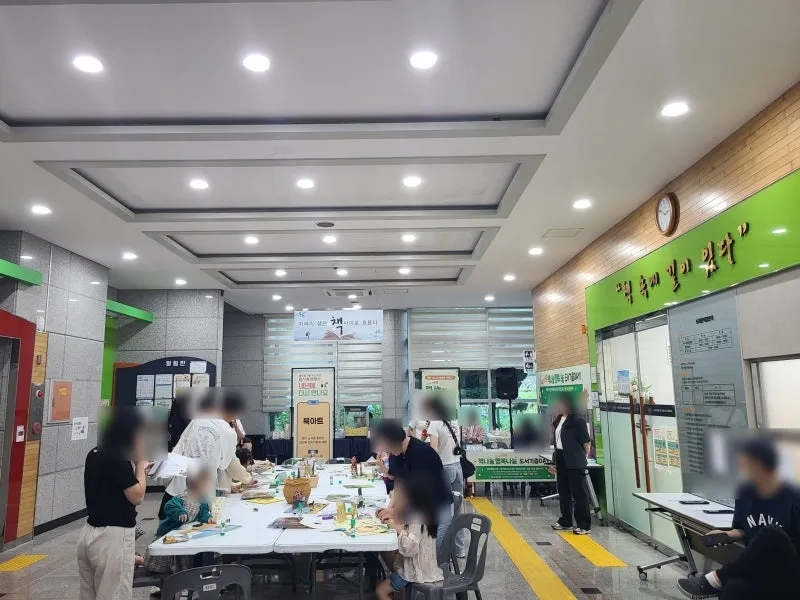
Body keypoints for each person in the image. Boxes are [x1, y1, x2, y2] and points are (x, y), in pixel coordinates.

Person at [677, 438, 800, 599]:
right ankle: (718, 580)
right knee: (732, 589)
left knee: (771, 533)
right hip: (759, 569)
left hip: (790, 571)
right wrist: (728, 534)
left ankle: (716, 578)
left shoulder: (793, 497)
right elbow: (743, 529)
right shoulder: (745, 494)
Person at [78, 408, 149, 600]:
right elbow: (137, 496)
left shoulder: (94, 453)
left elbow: (112, 486)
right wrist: (140, 464)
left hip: (89, 534)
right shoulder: (118, 457)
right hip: (112, 537)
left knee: (89, 594)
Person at [163, 390, 252, 518]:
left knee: (172, 521)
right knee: (197, 521)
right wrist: (247, 479)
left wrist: (165, 474)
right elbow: (228, 464)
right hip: (203, 491)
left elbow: (179, 448)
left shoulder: (197, 420)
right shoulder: (229, 433)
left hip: (179, 487)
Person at [372, 420, 453, 551]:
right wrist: (389, 508)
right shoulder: (399, 453)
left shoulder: (421, 454)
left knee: (427, 554)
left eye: (386, 446)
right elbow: (399, 484)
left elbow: (423, 497)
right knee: (401, 548)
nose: (385, 450)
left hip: (436, 509)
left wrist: (396, 512)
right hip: (419, 511)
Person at [376, 471, 444, 600]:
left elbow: (409, 549)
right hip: (421, 567)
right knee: (388, 554)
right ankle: (400, 593)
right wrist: (393, 518)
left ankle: (399, 589)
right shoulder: (423, 511)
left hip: (415, 571)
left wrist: (398, 529)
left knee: (381, 591)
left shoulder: (416, 517)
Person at [143, 469, 215, 575]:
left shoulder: (202, 500)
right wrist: (180, 512)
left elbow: (203, 513)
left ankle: (180, 574)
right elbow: (168, 506)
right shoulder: (182, 497)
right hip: (171, 531)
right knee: (163, 561)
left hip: (184, 533)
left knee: (182, 558)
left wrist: (208, 518)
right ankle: (145, 564)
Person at [424, 394, 466, 557]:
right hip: (457, 467)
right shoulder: (454, 422)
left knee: (443, 514)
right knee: (457, 510)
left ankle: (439, 553)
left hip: (444, 469)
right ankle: (459, 549)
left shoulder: (434, 424)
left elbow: (433, 450)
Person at [550, 394, 592, 535]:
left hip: (575, 459)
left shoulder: (577, 421)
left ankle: (584, 525)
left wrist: (581, 457)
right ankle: (566, 521)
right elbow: (557, 442)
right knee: (564, 491)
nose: (557, 406)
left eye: (560, 404)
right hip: (561, 457)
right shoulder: (558, 420)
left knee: (579, 493)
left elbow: (586, 442)